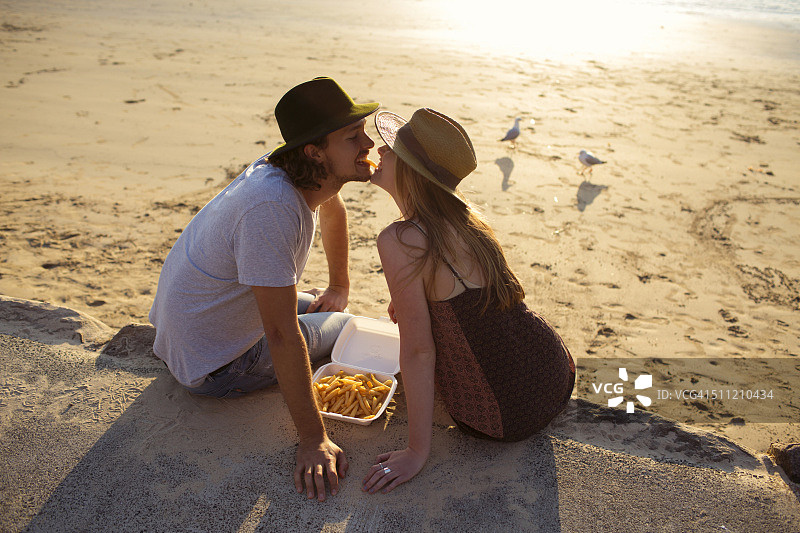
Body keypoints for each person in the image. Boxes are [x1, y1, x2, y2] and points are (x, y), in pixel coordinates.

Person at [149, 77, 379, 502]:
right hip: (215, 366)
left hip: (190, 331)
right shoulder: (271, 209)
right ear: (315, 151)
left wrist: (339, 285)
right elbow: (278, 333)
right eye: (353, 137)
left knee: (320, 303)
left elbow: (333, 207)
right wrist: (313, 440)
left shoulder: (290, 167)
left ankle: (326, 304)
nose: (369, 144)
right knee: (347, 324)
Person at [361, 108, 576, 494]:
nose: (379, 149)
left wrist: (415, 451)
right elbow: (481, 306)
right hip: (554, 374)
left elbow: (419, 352)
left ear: (410, 170)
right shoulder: (468, 220)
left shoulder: (399, 240)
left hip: (503, 416)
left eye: (390, 149)